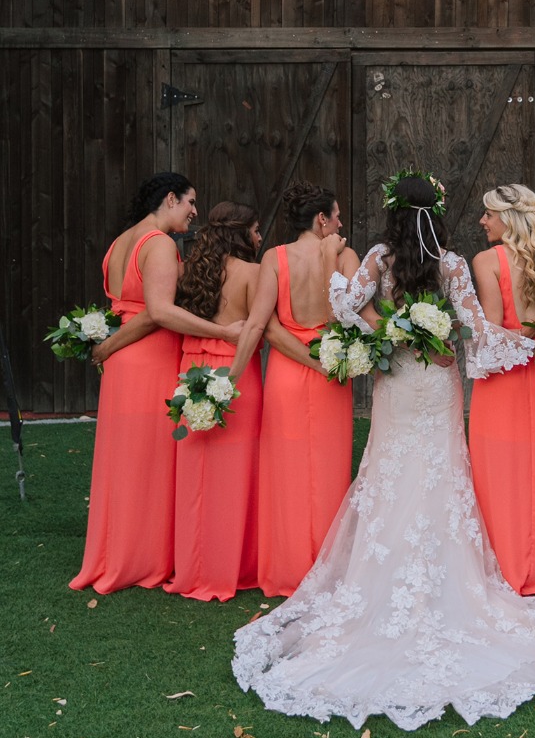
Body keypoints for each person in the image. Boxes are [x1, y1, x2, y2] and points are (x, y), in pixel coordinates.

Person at [231, 171, 535, 730]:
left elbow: (345, 307)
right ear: (437, 213)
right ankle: (447, 590)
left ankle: (379, 589)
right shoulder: (452, 264)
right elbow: (475, 330)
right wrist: (531, 342)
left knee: (389, 470)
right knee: (438, 476)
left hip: (399, 384)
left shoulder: (379, 257)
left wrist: (387, 331)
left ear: (393, 213)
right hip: (437, 384)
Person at [71, 173, 245, 595]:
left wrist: (109, 347)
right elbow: (158, 313)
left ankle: (117, 553)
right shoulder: (160, 244)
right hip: (149, 362)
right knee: (148, 459)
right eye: (189, 202)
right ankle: (144, 558)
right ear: (170, 199)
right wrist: (221, 332)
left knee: (124, 461)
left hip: (123, 365)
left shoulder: (120, 242)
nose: (194, 211)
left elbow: (129, 306)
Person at [228, 180, 359, 598]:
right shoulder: (346, 256)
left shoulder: (274, 258)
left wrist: (229, 379)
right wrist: (324, 362)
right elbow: (349, 317)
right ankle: (328, 570)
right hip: (331, 373)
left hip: (286, 375)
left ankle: (287, 570)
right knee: (328, 470)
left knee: (285, 471)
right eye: (336, 216)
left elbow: (261, 324)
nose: (341, 224)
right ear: (322, 220)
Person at [468, 184, 535, 595]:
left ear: (506, 218)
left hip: (503, 379)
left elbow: (494, 326)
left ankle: (505, 562)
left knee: (500, 468)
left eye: (488, 214)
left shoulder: (486, 260)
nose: (482, 220)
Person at [163, 201, 265, 601]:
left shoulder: (192, 272)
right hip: (235, 374)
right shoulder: (253, 274)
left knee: (195, 477)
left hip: (191, 370)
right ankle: (232, 568)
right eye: (255, 230)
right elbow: (257, 329)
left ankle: (192, 568)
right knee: (236, 476)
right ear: (241, 233)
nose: (260, 238)